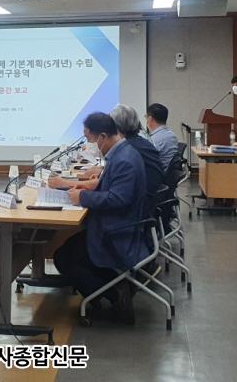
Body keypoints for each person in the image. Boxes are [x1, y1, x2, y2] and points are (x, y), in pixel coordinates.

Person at [53, 112, 147, 324]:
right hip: (114, 224)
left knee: (64, 257)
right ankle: (115, 288)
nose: (89, 145)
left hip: (117, 231)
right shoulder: (122, 153)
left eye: (89, 139)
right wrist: (86, 189)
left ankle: (116, 293)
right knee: (67, 250)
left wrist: (82, 197)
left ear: (102, 136)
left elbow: (118, 199)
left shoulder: (124, 160)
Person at [110, 104, 163, 217]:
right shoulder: (140, 142)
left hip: (137, 208)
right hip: (148, 200)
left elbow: (118, 191)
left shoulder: (128, 148)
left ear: (115, 126)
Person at [144, 103, 179, 173]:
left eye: (146, 117)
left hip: (157, 175)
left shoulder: (154, 140)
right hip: (166, 174)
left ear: (150, 119)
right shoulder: (172, 135)